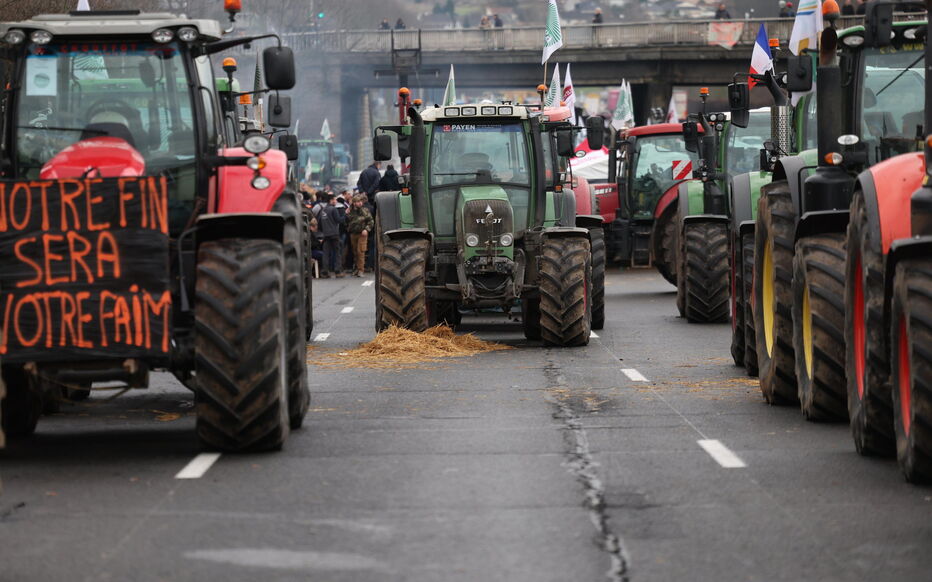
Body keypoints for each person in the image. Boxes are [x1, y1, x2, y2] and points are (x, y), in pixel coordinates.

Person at [312, 192, 346, 277]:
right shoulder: (333, 209)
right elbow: (339, 220)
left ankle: (325, 272)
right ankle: (338, 271)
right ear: (331, 200)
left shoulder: (323, 210)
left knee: (326, 253)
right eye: (334, 199)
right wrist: (346, 214)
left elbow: (319, 224)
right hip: (334, 233)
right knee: (337, 252)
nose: (335, 201)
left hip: (326, 234)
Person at [346, 194, 375, 277]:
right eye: (357, 202)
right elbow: (346, 221)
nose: (359, 203)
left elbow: (371, 221)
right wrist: (346, 214)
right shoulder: (350, 211)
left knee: (361, 251)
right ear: (354, 203)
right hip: (353, 233)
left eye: (360, 201)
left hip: (362, 234)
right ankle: (356, 268)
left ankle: (361, 270)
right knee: (355, 252)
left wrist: (366, 229)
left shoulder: (365, 211)